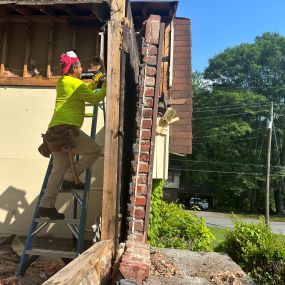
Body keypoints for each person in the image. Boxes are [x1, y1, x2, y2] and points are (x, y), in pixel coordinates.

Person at [37, 51, 106, 220]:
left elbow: (81, 90)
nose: (82, 69)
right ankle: (70, 178)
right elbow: (96, 98)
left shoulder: (63, 82)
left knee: (58, 168)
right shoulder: (76, 85)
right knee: (95, 150)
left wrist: (94, 83)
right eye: (80, 66)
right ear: (74, 68)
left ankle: (46, 206)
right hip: (67, 131)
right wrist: (105, 85)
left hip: (54, 132)